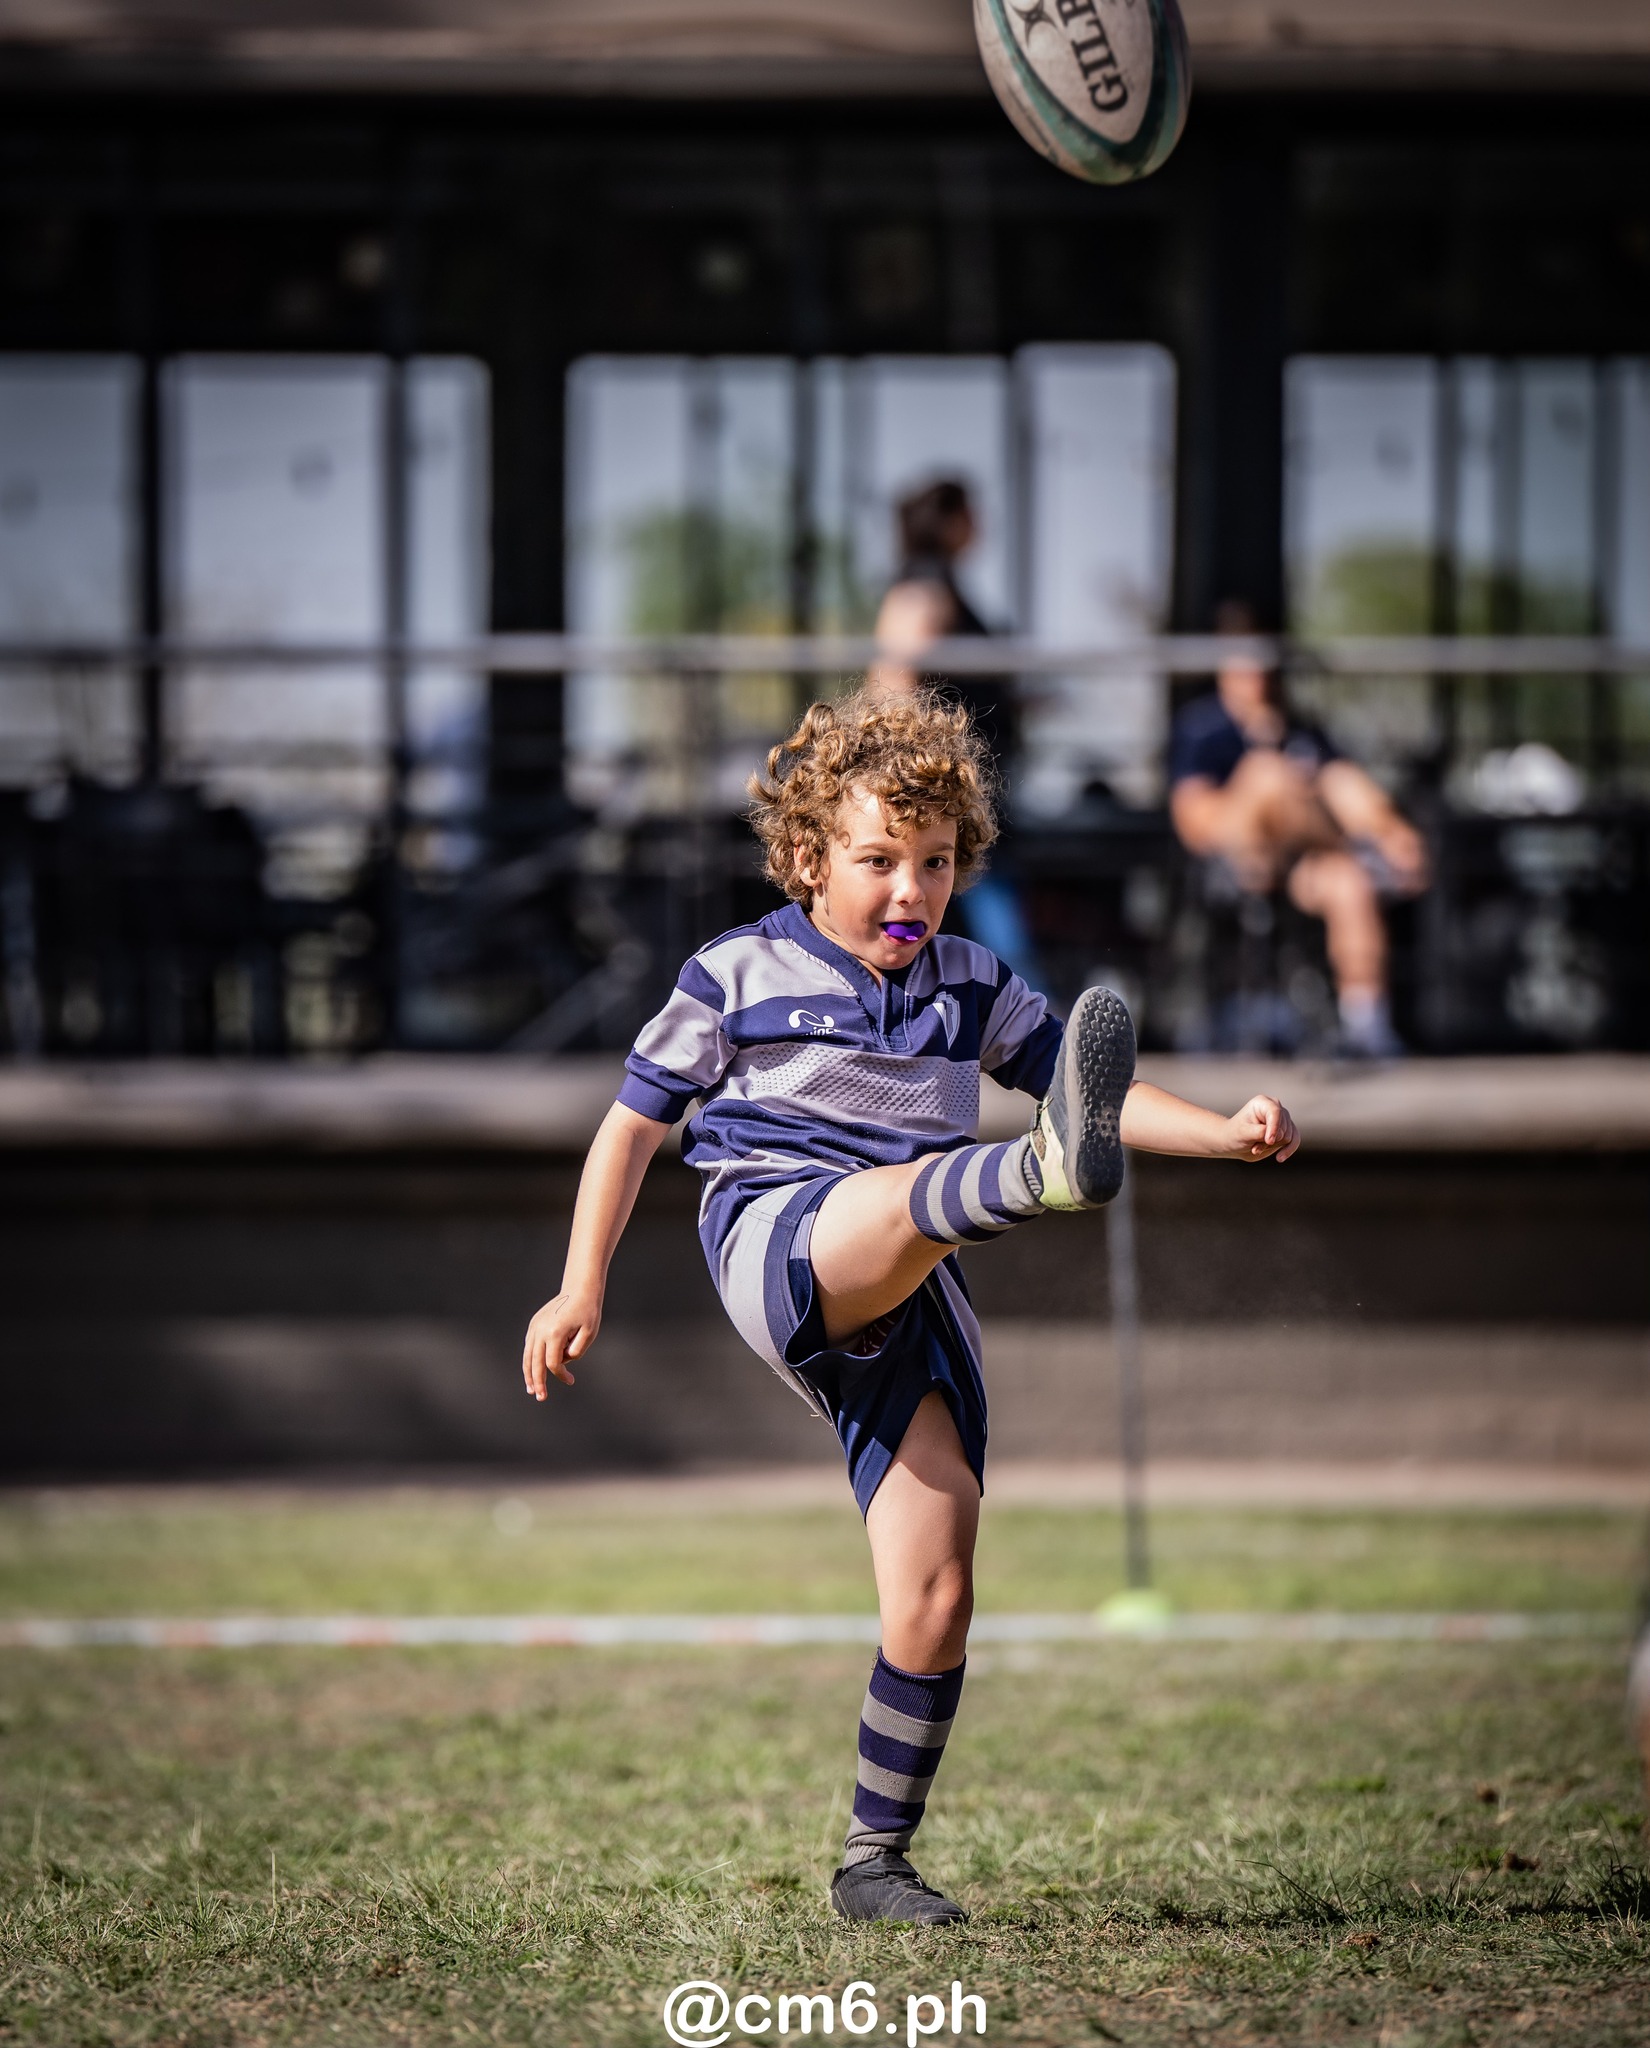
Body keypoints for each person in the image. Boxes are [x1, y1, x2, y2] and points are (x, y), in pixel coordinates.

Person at [522, 688, 1299, 1926]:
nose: (910, 888)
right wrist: (581, 1281)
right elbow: (627, 1132)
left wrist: (1226, 1132)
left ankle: (872, 1861)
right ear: (806, 858)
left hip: (918, 1268)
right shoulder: (734, 971)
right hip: (779, 1235)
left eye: (935, 863)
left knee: (935, 1597)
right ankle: (1032, 1174)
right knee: (902, 1199)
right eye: (878, 858)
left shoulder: (971, 982)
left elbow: (1097, 1089)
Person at [1168, 603, 1429, 1058]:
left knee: (1350, 877)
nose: (1260, 673)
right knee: (1275, 774)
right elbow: (1195, 821)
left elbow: (1345, 786)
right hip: (1236, 855)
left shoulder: (1301, 728)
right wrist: (1269, 791)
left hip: (1299, 858)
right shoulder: (1203, 728)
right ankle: (1380, 841)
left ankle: (1367, 1022)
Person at [870, 478, 1038, 983]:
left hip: (963, 779)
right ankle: (1036, 1023)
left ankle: (1023, 1018)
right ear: (948, 520)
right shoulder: (924, 588)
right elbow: (894, 679)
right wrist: (903, 765)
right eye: (970, 512)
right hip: (946, 785)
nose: (980, 524)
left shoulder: (939, 585)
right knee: (980, 897)